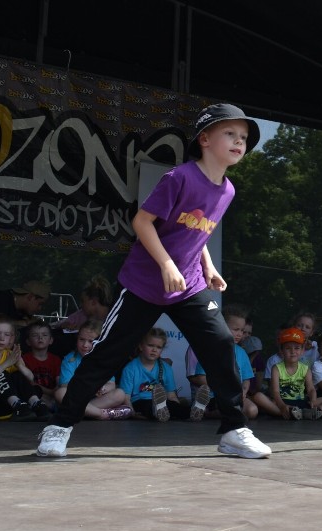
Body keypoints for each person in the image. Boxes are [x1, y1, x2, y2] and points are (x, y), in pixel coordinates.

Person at [36, 103, 270, 458]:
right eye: (230, 134)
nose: (240, 142)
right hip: (145, 284)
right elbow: (142, 223)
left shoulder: (227, 191)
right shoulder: (179, 178)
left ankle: (234, 429)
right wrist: (165, 264)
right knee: (106, 354)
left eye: (243, 137)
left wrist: (207, 266)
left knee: (222, 344)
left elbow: (198, 231)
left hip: (188, 286)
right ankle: (60, 426)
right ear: (205, 139)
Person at [187, 304, 259, 421]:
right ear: (221, 326)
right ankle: (205, 409)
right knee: (231, 409)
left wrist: (243, 391)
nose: (240, 334)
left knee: (252, 410)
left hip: (235, 397)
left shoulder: (242, 353)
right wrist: (224, 388)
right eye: (236, 330)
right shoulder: (210, 349)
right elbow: (200, 378)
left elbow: (246, 379)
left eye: (242, 330)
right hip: (213, 397)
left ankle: (209, 413)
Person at [56, 320, 130, 421]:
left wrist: (102, 388)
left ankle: (85, 412)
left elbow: (111, 384)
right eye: (81, 339)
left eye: (91, 341)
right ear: (76, 339)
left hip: (96, 400)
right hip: (75, 398)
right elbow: (65, 386)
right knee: (60, 393)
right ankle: (101, 414)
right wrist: (89, 389)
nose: (85, 345)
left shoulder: (104, 359)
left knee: (120, 394)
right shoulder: (70, 359)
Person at [0, 314, 51, 421]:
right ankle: (17, 404)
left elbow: (31, 378)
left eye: (7, 334)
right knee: (1, 373)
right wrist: (5, 364)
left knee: (18, 374)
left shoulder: (10, 355)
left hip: (6, 409)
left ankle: (36, 403)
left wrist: (19, 365)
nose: (2, 338)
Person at [120, 328, 187, 421]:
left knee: (175, 407)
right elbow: (126, 397)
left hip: (163, 402)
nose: (154, 350)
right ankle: (159, 412)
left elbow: (171, 395)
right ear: (140, 346)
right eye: (150, 345)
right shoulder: (130, 368)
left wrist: (176, 405)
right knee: (147, 406)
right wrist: (132, 413)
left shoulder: (166, 368)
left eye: (159, 347)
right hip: (140, 401)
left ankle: (193, 412)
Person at [270, 327, 322, 420]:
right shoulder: (276, 368)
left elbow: (311, 389)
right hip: (282, 402)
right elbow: (275, 392)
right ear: (281, 350)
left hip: (301, 402)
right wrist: (282, 406)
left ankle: (316, 412)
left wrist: (313, 400)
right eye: (288, 348)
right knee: (259, 397)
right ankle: (288, 412)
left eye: (297, 348)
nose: (293, 352)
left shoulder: (305, 369)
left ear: (302, 351)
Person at [49, 275, 114, 358]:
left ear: (93, 302)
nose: (81, 305)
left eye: (83, 301)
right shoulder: (81, 314)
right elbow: (55, 325)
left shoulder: (115, 316)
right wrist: (64, 325)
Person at [21, 321, 62, 408]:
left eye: (45, 335)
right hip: (34, 395)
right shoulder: (24, 359)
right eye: (35, 335)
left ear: (51, 340)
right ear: (28, 341)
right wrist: (50, 392)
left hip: (53, 396)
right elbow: (29, 383)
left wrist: (57, 391)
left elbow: (59, 380)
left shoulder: (56, 360)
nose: (40, 338)